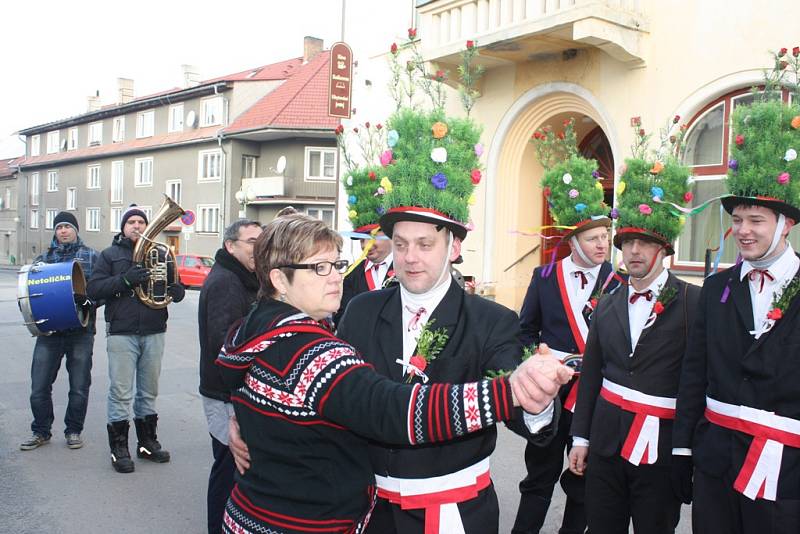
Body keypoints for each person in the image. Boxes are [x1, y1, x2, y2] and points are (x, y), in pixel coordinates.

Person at [216, 213, 572, 534]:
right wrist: (244, 418)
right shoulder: (359, 309)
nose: (410, 257)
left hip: (450, 510)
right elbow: (370, 403)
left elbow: (523, 412)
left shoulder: (491, 320)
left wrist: (534, 399)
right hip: (367, 511)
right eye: (400, 245)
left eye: (425, 244)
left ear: (454, 247)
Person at [673, 92, 800, 533]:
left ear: (785, 225)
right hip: (715, 463)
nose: (743, 231)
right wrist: (683, 451)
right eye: (738, 219)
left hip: (785, 470)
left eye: (756, 220)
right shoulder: (716, 287)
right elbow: (695, 371)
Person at [568, 137, 700, 534]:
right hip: (606, 446)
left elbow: (696, 385)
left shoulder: (695, 303)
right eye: (627, 243)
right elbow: (591, 374)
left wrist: (685, 452)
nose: (634, 252)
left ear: (665, 249)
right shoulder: (606, 302)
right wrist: (580, 438)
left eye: (645, 243)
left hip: (659, 453)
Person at [514, 118, 617, 534]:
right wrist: (536, 363)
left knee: (583, 481)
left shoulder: (619, 281)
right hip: (551, 393)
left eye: (606, 237)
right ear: (573, 241)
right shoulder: (543, 278)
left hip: (592, 398)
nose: (602, 245)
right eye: (593, 238)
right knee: (538, 478)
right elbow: (524, 331)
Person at [87, 204, 185, 473]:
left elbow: (173, 285)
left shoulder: (161, 253)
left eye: (141, 222)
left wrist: (178, 291)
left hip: (154, 330)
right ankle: (119, 448)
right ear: (123, 227)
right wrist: (126, 281)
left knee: (148, 391)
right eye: (131, 222)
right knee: (120, 392)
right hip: (122, 332)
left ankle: (147, 442)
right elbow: (94, 289)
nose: (137, 226)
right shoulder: (109, 255)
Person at [198, 219, 262, 533]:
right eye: (251, 241)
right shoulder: (227, 282)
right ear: (230, 246)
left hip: (231, 391)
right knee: (227, 468)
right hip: (224, 393)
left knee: (232, 469)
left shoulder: (244, 278)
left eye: (261, 241)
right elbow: (222, 341)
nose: (258, 248)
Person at [20, 211, 99, 451]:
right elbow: (32, 296)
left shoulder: (92, 257)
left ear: (76, 230)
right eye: (59, 227)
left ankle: (73, 431)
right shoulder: (43, 261)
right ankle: (41, 431)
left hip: (80, 333)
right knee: (39, 387)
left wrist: (90, 302)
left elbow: (101, 289)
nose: (63, 230)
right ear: (55, 231)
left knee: (79, 386)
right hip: (50, 334)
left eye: (67, 226)